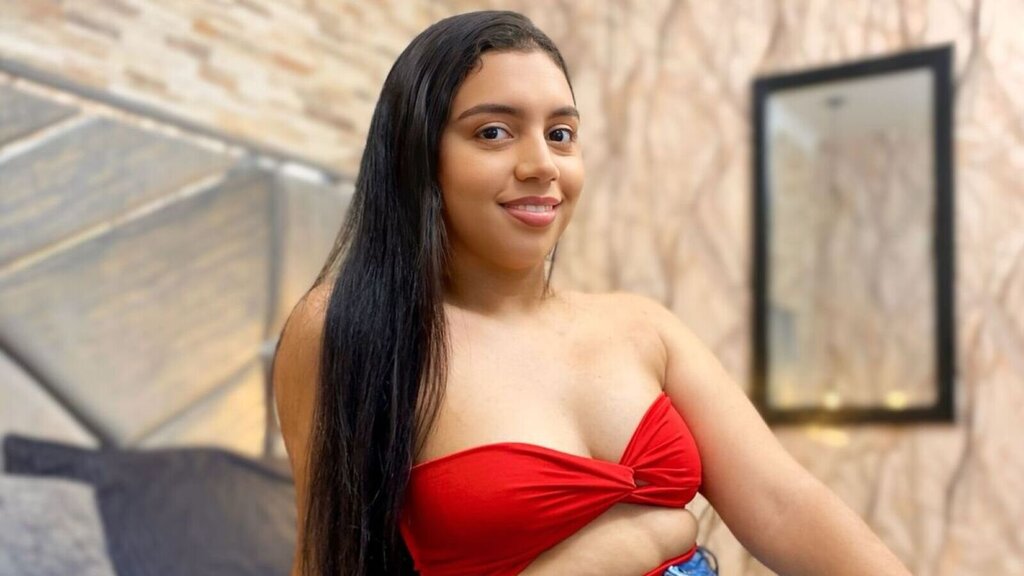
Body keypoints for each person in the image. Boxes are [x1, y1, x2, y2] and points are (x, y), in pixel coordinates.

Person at [271, 10, 913, 576]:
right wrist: (624, 547)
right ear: (417, 157)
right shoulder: (346, 328)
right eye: (493, 132)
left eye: (560, 134)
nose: (541, 165)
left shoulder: (642, 328)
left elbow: (783, 504)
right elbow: (329, 562)